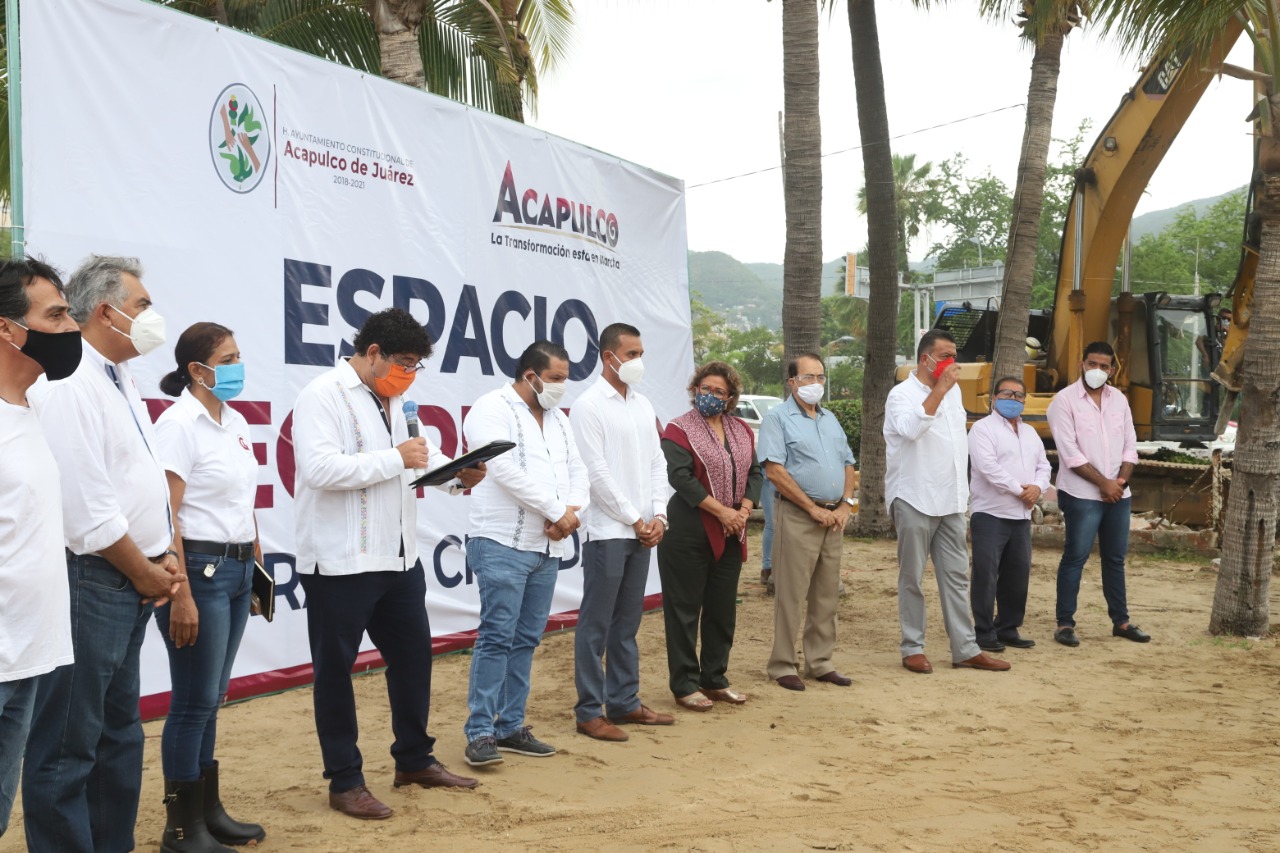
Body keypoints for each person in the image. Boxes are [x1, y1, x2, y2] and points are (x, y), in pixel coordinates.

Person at [23, 255, 186, 852]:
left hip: (130, 581)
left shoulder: (121, 378)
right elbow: (86, 505)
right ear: (105, 312)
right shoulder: (69, 382)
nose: (152, 317)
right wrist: (144, 569)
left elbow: (137, 481)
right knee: (69, 745)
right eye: (142, 306)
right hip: (97, 582)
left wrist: (162, 554)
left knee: (119, 738)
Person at [292, 308, 482, 821]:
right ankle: (345, 780)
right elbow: (319, 468)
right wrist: (398, 458)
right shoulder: (322, 395)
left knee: (415, 660)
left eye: (416, 365)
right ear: (372, 352)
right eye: (403, 362)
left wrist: (461, 475)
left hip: (399, 557)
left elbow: (422, 460)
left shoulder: (396, 399)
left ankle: (414, 760)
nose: (409, 373)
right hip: (340, 561)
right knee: (336, 673)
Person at [151, 323, 265, 849]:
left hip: (239, 571)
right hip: (198, 571)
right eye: (228, 357)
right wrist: (181, 592)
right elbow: (164, 513)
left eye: (239, 355)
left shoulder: (235, 420)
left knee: (211, 697)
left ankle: (207, 812)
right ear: (197, 370)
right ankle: (181, 829)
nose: (238, 365)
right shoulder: (179, 424)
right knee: (193, 701)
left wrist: (257, 560)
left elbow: (243, 501)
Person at [462, 340, 590, 766]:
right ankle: (480, 731)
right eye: (555, 379)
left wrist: (570, 514)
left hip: (546, 545)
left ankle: (511, 725)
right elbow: (501, 469)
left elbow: (578, 470)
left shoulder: (557, 418)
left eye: (564, 380)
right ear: (530, 375)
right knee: (497, 636)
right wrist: (558, 511)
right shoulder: (490, 407)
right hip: (501, 542)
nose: (561, 388)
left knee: (526, 639)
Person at [0, 259, 78, 838]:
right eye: (55, 315)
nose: (70, 327)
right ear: (7, 328)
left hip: (26, 656)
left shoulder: (32, 410)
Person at [884, 330, 1009, 674]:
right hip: (914, 496)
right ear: (925, 360)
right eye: (944, 356)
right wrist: (939, 390)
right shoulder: (901, 394)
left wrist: (962, 496)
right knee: (912, 576)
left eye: (955, 355)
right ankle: (912, 647)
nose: (952, 363)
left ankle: (965, 648)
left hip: (951, 499)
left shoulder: (954, 395)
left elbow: (957, 446)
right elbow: (911, 429)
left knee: (956, 577)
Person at [570, 323, 673, 742]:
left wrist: (660, 516)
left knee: (627, 623)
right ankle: (589, 711)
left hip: (643, 529)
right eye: (631, 354)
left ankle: (625, 702)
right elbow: (596, 474)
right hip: (608, 529)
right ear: (607, 356)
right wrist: (634, 518)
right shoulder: (588, 405)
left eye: (640, 353)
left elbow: (657, 463)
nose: (638, 362)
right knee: (596, 624)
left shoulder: (642, 404)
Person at [657, 361, 762, 711]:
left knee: (721, 610)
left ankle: (714, 679)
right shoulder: (679, 429)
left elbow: (756, 472)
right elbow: (681, 478)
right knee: (685, 609)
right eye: (705, 389)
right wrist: (723, 512)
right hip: (689, 530)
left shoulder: (741, 430)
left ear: (731, 397)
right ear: (694, 390)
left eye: (719, 392)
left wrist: (743, 511)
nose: (711, 396)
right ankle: (685, 683)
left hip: (733, 531)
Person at [759, 353, 857, 691]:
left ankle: (820, 661)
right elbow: (774, 470)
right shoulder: (777, 419)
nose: (815, 384)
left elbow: (847, 463)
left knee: (826, 594)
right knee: (791, 593)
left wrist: (846, 504)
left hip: (834, 518)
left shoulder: (830, 418)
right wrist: (811, 508)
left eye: (820, 377)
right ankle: (784, 663)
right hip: (798, 515)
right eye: (808, 377)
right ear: (792, 382)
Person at [1046, 342, 1150, 647]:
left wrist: (1119, 482)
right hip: (1081, 494)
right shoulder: (1063, 402)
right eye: (1093, 364)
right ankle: (1065, 623)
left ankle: (1122, 622)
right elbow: (1069, 453)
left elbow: (1131, 446)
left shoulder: (1119, 400)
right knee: (1075, 556)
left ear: (1112, 370)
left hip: (1119, 493)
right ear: (1082, 364)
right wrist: (1104, 484)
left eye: (1105, 366)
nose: (1098, 371)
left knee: (1115, 558)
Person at [967, 376, 1052, 653]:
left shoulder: (1029, 433)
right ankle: (983, 632)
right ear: (993, 398)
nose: (1013, 399)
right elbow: (988, 468)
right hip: (991, 513)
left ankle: (1007, 627)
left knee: (1018, 574)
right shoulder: (982, 429)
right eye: (1007, 393)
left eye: (1019, 395)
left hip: (1021, 516)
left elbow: (1044, 465)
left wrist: (1037, 487)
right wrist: (1020, 490)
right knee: (986, 573)